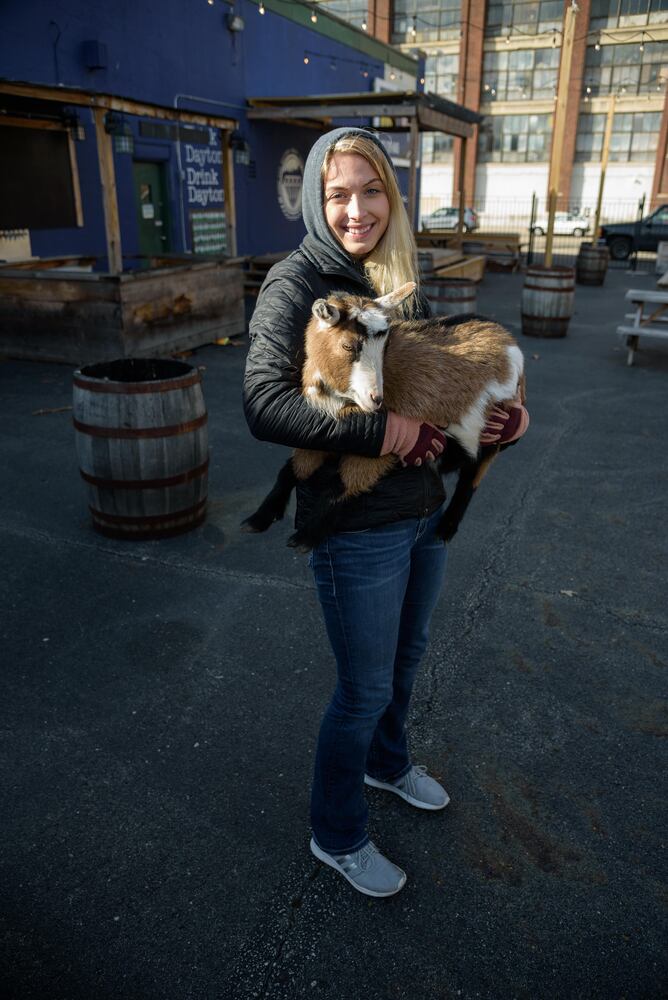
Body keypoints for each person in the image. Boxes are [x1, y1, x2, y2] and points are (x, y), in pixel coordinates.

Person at [243, 127, 528, 898]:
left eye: (372, 192)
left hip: (422, 509)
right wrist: (381, 429)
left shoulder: (397, 274)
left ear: (391, 199)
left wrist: (497, 417)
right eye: (339, 194)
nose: (357, 209)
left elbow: (439, 380)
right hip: (355, 523)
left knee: (406, 659)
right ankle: (336, 834)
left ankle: (388, 763)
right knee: (363, 688)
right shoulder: (295, 283)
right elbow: (263, 403)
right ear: (316, 200)